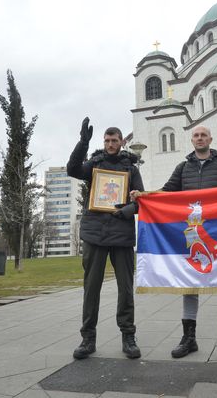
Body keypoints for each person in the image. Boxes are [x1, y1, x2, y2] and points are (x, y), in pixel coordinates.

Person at [134, 125, 217, 360]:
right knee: (190, 284)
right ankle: (189, 339)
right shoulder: (183, 167)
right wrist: (145, 197)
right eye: (196, 136)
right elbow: (167, 193)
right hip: (192, 235)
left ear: (210, 139)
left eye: (203, 135)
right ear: (192, 140)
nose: (200, 139)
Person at [67, 117, 144, 360]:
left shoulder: (132, 169)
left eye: (115, 140)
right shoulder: (94, 164)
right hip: (95, 234)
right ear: (104, 142)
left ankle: (128, 336)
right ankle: (87, 338)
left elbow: (141, 201)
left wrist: (128, 209)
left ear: (122, 142)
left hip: (121, 234)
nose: (111, 143)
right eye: (107, 140)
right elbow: (72, 170)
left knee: (126, 288)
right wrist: (82, 143)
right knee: (91, 288)